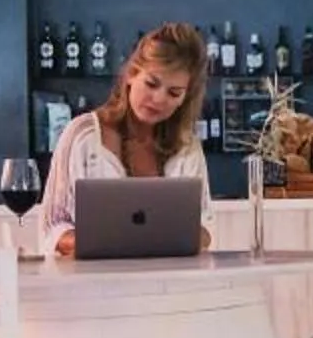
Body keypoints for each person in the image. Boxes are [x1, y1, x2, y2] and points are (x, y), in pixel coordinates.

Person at [40, 21, 212, 257]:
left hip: (169, 288)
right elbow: (54, 227)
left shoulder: (188, 147)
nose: (159, 99)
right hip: (94, 288)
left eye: (174, 93)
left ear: (185, 98)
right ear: (131, 74)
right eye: (152, 83)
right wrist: (117, 243)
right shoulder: (82, 135)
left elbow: (204, 226)